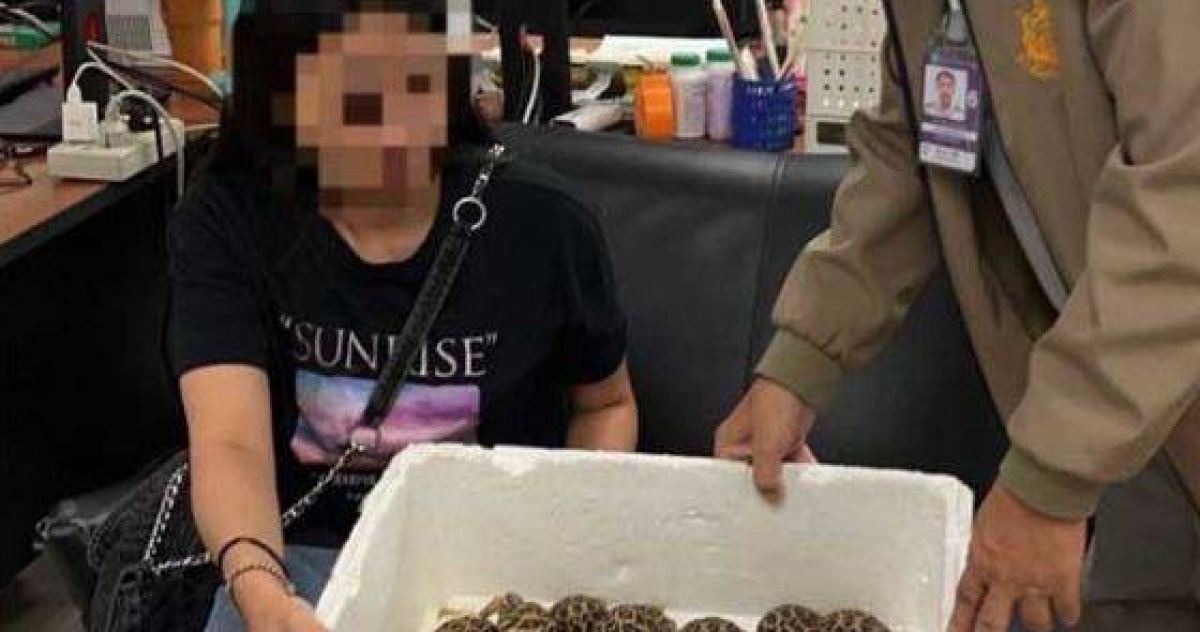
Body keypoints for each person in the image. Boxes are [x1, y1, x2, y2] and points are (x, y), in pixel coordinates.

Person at [715, 1, 1200, 631]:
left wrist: (1049, 478)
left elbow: (1183, 202)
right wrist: (802, 361)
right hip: (1118, 417)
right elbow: (912, 153)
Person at [170, 2, 638, 631]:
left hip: (491, 568)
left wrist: (562, 554)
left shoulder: (544, 222)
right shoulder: (230, 216)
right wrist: (260, 588)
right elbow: (229, 442)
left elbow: (606, 404)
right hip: (298, 558)